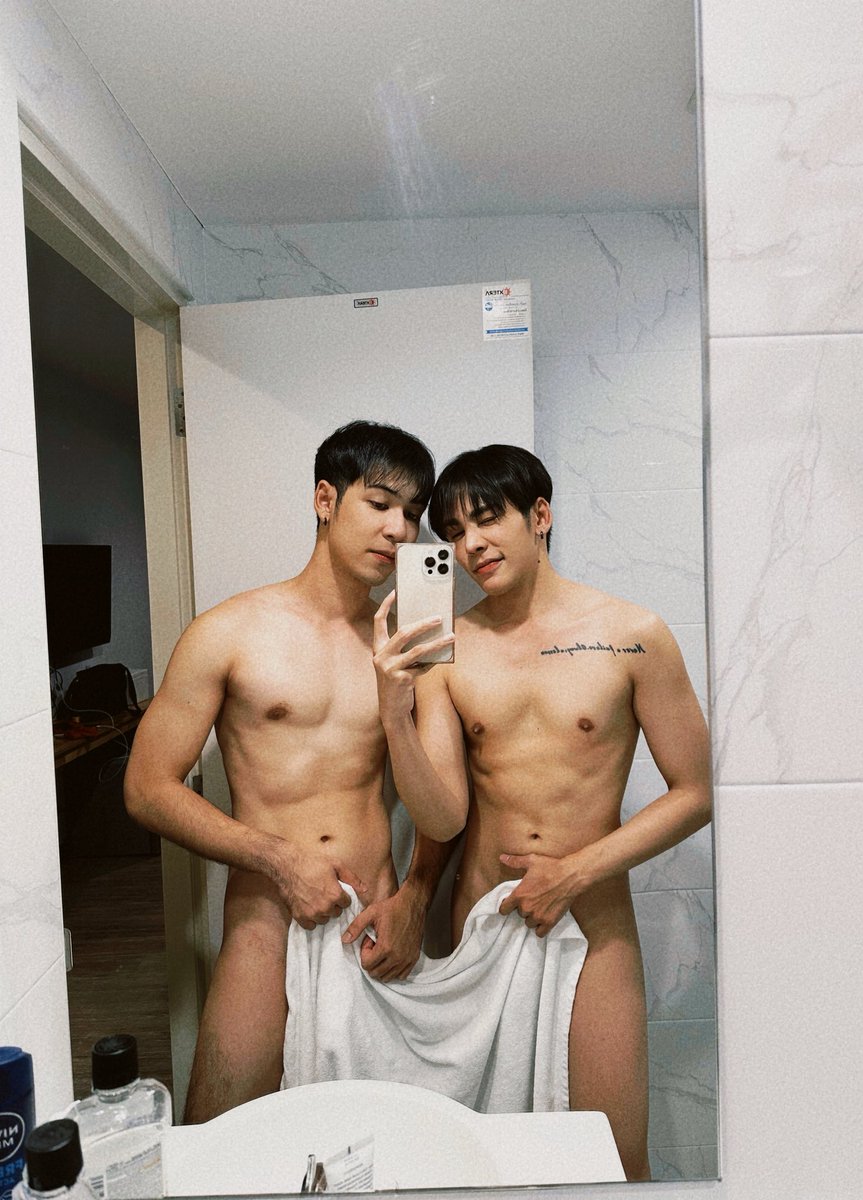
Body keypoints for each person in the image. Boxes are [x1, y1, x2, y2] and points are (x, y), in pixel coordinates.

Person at [370, 444, 711, 1182]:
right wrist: (395, 712)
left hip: (591, 919)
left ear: (541, 516)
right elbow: (443, 816)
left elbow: (695, 793)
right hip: (483, 923)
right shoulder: (449, 649)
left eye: (488, 519)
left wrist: (574, 872)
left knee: (614, 1160)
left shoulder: (632, 633)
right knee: (483, 1162)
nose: (471, 545)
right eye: (454, 532)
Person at [124, 420, 448, 1123]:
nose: (399, 529)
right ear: (325, 499)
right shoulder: (228, 632)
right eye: (380, 503)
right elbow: (147, 788)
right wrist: (280, 858)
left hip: (376, 920)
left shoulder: (409, 646)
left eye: (412, 513)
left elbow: (445, 795)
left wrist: (418, 897)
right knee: (221, 1135)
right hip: (265, 917)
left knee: (384, 1140)